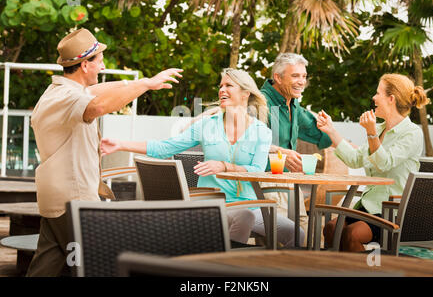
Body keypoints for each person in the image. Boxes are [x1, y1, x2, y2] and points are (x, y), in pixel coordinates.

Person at [27, 28, 182, 276]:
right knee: (97, 264)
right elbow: (97, 105)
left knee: (48, 263)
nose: (102, 66)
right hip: (72, 198)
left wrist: (141, 83)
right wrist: (145, 84)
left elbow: (96, 93)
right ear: (85, 65)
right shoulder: (67, 97)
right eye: (98, 61)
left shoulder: (60, 91)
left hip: (58, 197)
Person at [101, 68, 303, 247]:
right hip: (211, 203)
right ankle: (222, 271)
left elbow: (257, 170)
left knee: (298, 235)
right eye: (221, 85)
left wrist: (224, 166)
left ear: (245, 93)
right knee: (245, 217)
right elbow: (165, 147)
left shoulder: (262, 131)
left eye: (229, 85)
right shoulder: (206, 125)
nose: (222, 90)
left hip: (247, 204)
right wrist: (121, 144)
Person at [316, 73, 429, 252]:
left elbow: (384, 163)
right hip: (368, 205)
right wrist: (331, 130)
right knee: (331, 228)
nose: (373, 98)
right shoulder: (378, 129)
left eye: (378, 93)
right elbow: (355, 160)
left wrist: (371, 134)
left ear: (391, 99)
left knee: (351, 234)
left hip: (392, 210)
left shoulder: (412, 133)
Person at [260, 53, 332, 239]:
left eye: (304, 76)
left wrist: (339, 141)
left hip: (289, 178)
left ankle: (309, 266)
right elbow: (245, 141)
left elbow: (318, 131)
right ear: (278, 77)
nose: (301, 81)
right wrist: (279, 151)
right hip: (265, 178)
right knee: (283, 235)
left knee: (308, 233)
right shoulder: (260, 102)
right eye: (295, 76)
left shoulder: (293, 105)